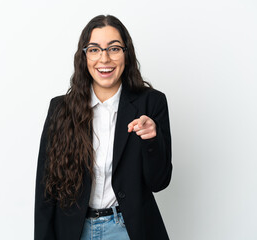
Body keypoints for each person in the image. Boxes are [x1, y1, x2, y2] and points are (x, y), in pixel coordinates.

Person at [34, 15, 172, 240]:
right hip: (73, 232)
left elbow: (160, 182)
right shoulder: (60, 108)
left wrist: (151, 141)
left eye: (114, 48)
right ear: (84, 56)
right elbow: (46, 191)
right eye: (95, 49)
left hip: (128, 231)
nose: (104, 58)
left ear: (126, 54)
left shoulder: (151, 103)